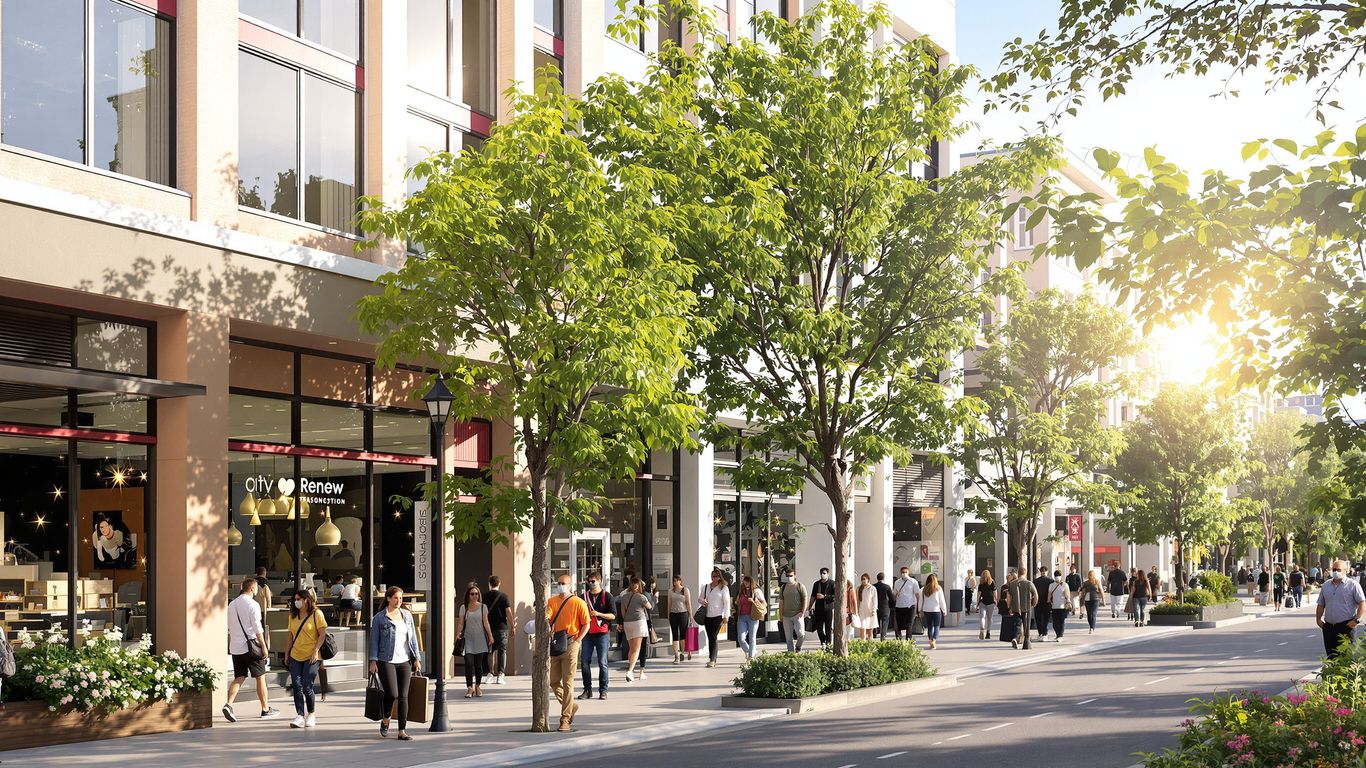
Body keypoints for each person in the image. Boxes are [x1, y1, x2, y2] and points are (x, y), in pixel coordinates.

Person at [224, 577, 281, 723]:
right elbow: (257, 628)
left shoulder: (232, 604)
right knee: (260, 677)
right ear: (252, 588)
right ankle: (265, 709)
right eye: (256, 589)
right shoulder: (253, 604)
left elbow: (229, 626)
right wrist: (264, 646)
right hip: (251, 647)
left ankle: (228, 704)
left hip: (236, 647)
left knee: (239, 677)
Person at [369, 586, 420, 741]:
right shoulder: (379, 618)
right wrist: (373, 660)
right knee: (392, 694)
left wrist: (416, 658)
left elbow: (413, 638)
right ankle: (386, 718)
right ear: (389, 598)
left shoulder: (407, 615)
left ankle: (402, 731)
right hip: (386, 660)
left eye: (401, 598)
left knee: (403, 696)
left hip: (404, 660)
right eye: (396, 598)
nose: (399, 601)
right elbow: (374, 641)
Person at [547, 573, 590, 732]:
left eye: (564, 583)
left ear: (570, 585)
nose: (561, 586)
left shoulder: (578, 602)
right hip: (557, 643)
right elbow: (547, 617)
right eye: (559, 583)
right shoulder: (552, 601)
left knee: (568, 682)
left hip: (572, 642)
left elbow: (586, 624)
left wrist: (578, 640)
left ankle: (565, 718)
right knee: (553, 681)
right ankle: (571, 706)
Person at [284, 588, 327, 729]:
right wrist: (286, 653)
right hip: (295, 655)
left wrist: (316, 651)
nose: (296, 602)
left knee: (307, 686)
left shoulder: (317, 614)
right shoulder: (292, 616)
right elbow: (290, 636)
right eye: (294, 600)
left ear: (306, 600)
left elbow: (322, 634)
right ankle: (300, 715)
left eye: (299, 599)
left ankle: (311, 713)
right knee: (297, 685)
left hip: (312, 655)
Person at [1316, 559, 1366, 659]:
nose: (1335, 572)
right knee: (1331, 656)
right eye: (1334, 569)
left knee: (1346, 657)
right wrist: (1318, 619)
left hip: (1346, 626)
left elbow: (1362, 602)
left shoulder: (1353, 585)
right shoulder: (1326, 585)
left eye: (1338, 570)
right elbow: (1321, 604)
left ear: (1345, 570)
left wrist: (1356, 620)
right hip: (1329, 627)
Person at [578, 571, 615, 699]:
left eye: (593, 581)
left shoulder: (607, 596)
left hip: (602, 634)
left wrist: (599, 614)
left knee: (602, 662)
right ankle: (587, 690)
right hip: (587, 633)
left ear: (599, 581)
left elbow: (613, 615)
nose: (591, 584)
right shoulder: (583, 597)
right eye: (589, 582)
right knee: (584, 661)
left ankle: (603, 690)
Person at [455, 583, 493, 698]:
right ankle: (469, 688)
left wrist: (490, 636)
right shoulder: (464, 607)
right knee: (469, 663)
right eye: (472, 594)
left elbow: (486, 623)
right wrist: (458, 634)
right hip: (468, 639)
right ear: (468, 595)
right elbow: (461, 623)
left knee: (478, 664)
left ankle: (477, 686)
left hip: (480, 639)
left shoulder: (483, 607)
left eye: (476, 594)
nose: (475, 596)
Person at [620, 577, 655, 679]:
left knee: (631, 649)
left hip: (627, 623)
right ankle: (630, 671)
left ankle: (630, 669)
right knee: (636, 649)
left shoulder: (624, 597)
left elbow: (623, 613)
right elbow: (650, 607)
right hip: (639, 622)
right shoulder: (641, 597)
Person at [483, 575, 512, 684]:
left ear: (489, 584)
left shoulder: (484, 596)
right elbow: (508, 612)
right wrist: (512, 626)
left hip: (489, 628)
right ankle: (500, 674)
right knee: (502, 651)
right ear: (499, 583)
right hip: (502, 628)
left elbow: (482, 613)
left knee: (490, 651)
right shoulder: (504, 596)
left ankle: (490, 673)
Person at [700, 569, 731, 668]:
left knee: (713, 636)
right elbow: (700, 598)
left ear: (720, 577)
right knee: (710, 637)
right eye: (714, 576)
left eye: (717, 576)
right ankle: (711, 657)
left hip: (718, 615)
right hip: (707, 615)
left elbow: (727, 603)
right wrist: (703, 601)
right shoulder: (706, 587)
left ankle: (713, 659)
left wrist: (726, 616)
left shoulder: (723, 588)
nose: (715, 578)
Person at [1002, 569, 1038, 650]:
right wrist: (1034, 603)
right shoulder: (1029, 583)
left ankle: (1015, 638)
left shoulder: (1012, 584)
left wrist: (1009, 607)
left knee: (1017, 625)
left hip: (1016, 608)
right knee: (1026, 626)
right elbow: (1035, 594)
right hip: (1026, 608)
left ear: (1018, 573)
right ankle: (1026, 642)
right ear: (1025, 573)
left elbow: (1008, 596)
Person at [733, 575, 764, 662]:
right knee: (741, 638)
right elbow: (737, 602)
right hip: (742, 617)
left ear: (751, 582)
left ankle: (751, 657)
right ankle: (750, 651)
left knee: (752, 637)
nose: (745, 583)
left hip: (753, 617)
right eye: (744, 582)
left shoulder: (756, 591)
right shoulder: (741, 591)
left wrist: (753, 601)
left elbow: (763, 603)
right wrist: (737, 602)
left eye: (747, 582)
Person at [778, 567, 807, 652]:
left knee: (801, 634)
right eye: (787, 576)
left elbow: (805, 599)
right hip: (786, 616)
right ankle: (791, 653)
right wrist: (781, 615)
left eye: (791, 576)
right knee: (788, 638)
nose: (789, 577)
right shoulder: (783, 587)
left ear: (794, 576)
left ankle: (798, 647)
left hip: (798, 614)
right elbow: (781, 602)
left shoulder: (800, 586)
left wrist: (802, 612)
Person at [667, 575, 692, 663]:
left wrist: (691, 615)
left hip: (683, 613)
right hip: (673, 614)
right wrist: (668, 615)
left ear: (680, 581)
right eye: (674, 581)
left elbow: (688, 603)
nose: (675, 582)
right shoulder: (670, 591)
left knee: (683, 634)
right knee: (674, 635)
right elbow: (669, 604)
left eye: (677, 580)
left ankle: (682, 652)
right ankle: (676, 656)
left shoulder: (685, 590)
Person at [920, 574, 948, 649]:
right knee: (936, 626)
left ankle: (930, 640)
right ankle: (934, 640)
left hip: (926, 610)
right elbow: (942, 600)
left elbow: (921, 600)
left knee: (930, 626)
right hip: (936, 610)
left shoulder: (923, 589)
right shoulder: (938, 588)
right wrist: (944, 610)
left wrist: (919, 609)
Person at [892, 566, 920, 641]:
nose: (904, 574)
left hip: (910, 606)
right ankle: (898, 640)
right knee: (898, 625)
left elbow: (917, 594)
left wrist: (919, 606)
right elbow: (894, 594)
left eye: (905, 572)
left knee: (909, 624)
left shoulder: (913, 581)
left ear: (908, 572)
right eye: (902, 572)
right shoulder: (897, 582)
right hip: (899, 606)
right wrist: (894, 601)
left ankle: (908, 640)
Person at [811, 567, 835, 646]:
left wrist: (824, 597)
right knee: (819, 629)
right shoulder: (817, 584)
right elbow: (813, 596)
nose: (822, 575)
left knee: (828, 629)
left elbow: (835, 597)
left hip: (828, 609)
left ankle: (828, 646)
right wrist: (809, 607)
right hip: (818, 609)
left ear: (828, 574)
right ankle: (823, 641)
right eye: (821, 573)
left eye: (824, 573)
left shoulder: (832, 583)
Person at [1046, 570, 1069, 642]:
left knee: (1061, 621)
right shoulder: (1051, 585)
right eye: (1056, 576)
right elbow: (1049, 595)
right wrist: (1049, 601)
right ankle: (1058, 634)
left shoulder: (1064, 585)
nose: (1057, 577)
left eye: (1058, 576)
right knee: (1055, 623)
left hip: (1062, 606)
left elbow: (1067, 595)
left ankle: (1060, 635)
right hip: (1054, 606)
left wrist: (1068, 601)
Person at [853, 573, 878, 640]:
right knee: (862, 628)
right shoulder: (859, 588)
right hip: (861, 611)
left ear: (868, 579)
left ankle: (870, 643)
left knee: (870, 630)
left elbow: (875, 600)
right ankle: (862, 642)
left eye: (864, 579)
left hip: (870, 611)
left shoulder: (872, 588)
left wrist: (874, 610)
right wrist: (856, 610)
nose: (863, 581)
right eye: (862, 579)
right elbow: (857, 600)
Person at [1032, 567, 1054, 641]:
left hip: (1037, 602)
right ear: (1047, 572)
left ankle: (1040, 633)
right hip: (1047, 602)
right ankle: (1045, 633)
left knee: (1038, 618)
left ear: (1040, 572)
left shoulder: (1035, 581)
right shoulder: (1051, 581)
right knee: (1045, 619)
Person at [977, 570, 997, 640]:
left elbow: (979, 594)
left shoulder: (981, 583)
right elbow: (995, 592)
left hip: (982, 602)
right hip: (991, 602)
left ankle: (982, 628)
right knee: (989, 618)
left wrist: (977, 603)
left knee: (982, 617)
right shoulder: (992, 582)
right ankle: (988, 633)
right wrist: (995, 599)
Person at [873, 573, 894, 639]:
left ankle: (874, 634)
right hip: (885, 606)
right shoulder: (887, 587)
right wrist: (891, 606)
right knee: (885, 621)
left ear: (877, 578)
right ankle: (883, 635)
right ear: (884, 578)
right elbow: (891, 598)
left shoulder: (873, 586)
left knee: (876, 620)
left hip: (876, 605)